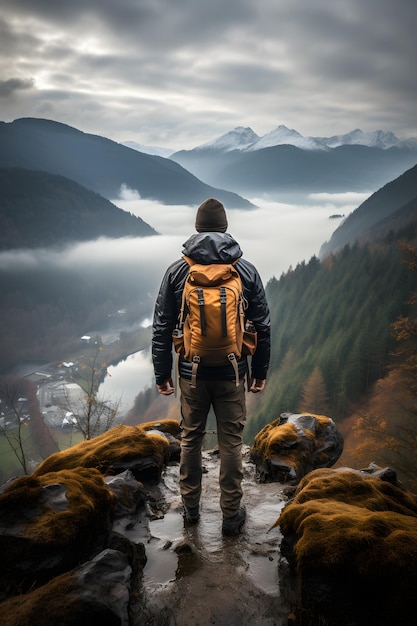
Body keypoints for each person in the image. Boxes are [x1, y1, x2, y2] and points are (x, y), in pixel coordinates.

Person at [152, 198, 271, 536]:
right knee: (232, 441)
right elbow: (262, 324)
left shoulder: (178, 271)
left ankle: (190, 510)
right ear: (224, 227)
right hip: (234, 370)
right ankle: (231, 515)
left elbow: (162, 326)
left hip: (192, 370)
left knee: (190, 438)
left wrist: (162, 373)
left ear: (197, 227)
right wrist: (260, 371)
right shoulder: (245, 270)